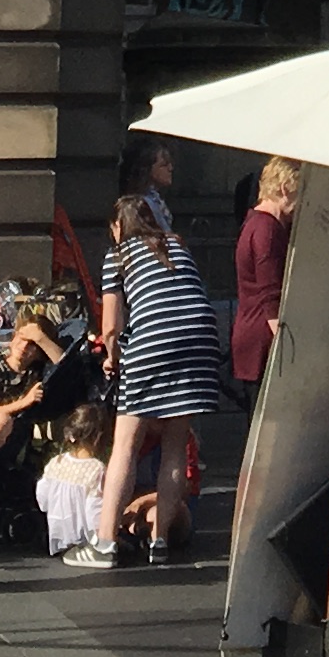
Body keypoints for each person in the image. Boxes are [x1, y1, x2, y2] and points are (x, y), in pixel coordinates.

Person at [69, 188, 222, 566]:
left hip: (154, 341)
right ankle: (160, 541)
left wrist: (113, 359)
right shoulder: (177, 247)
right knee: (176, 441)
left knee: (126, 443)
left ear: (118, 227)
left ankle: (104, 543)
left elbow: (110, 326)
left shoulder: (119, 256)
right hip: (200, 341)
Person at [231, 157, 299, 388]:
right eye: (301, 192)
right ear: (285, 188)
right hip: (264, 343)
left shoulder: (254, 222)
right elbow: (270, 296)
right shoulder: (267, 229)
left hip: (253, 337)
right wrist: (288, 351)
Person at [36, 405, 111, 557]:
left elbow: (43, 500)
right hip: (85, 539)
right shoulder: (96, 469)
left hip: (58, 536)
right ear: (99, 437)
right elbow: (94, 510)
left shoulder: (56, 462)